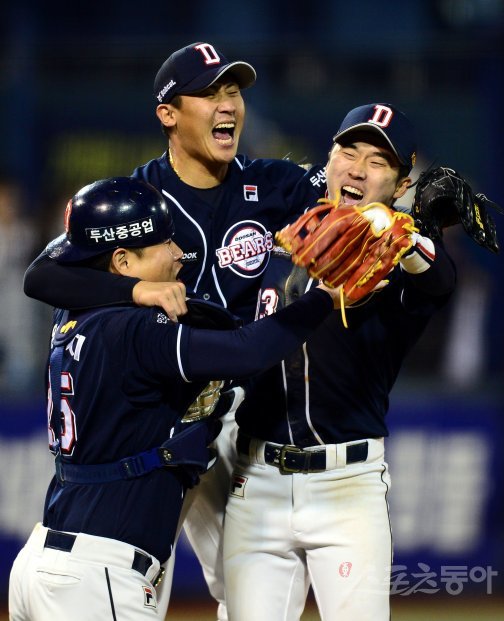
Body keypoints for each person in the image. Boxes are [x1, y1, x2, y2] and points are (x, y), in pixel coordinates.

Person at [22, 42, 327, 620]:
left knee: (257, 590)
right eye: (210, 93)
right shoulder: (137, 200)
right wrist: (132, 289)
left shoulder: (274, 182)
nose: (228, 105)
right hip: (160, 414)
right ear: (168, 113)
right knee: (133, 567)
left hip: (242, 414)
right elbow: (42, 276)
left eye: (233, 91)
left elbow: (354, 195)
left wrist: (413, 198)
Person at [222, 103, 457, 621]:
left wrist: (407, 234)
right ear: (327, 157)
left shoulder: (400, 260)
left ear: (400, 184)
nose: (356, 168)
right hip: (255, 479)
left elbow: (439, 279)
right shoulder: (278, 226)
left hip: (347, 489)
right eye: (347, 151)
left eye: (377, 161)